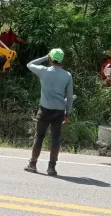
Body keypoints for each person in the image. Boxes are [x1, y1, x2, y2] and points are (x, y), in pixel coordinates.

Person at [24, 48, 74, 176]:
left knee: (39, 136)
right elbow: (69, 97)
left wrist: (45, 57)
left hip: (45, 110)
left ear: (51, 59)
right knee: (55, 139)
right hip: (59, 110)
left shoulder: (44, 71)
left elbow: (29, 64)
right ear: (63, 60)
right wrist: (67, 113)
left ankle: (32, 164)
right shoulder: (67, 75)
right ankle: (51, 168)